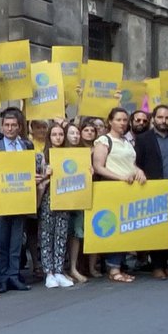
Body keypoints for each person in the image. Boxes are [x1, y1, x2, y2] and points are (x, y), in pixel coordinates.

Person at [0, 108, 42, 292]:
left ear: (19, 127)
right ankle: (2, 278)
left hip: (20, 198)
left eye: (13, 125)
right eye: (7, 125)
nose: (10, 129)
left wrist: (33, 177)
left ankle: (14, 275)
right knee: (1, 241)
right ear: (2, 127)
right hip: (0, 201)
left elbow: (31, 170)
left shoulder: (27, 146)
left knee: (17, 241)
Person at [91, 108, 146, 283]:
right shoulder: (104, 141)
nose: (122, 123)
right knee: (114, 227)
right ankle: (113, 268)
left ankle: (120, 266)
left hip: (128, 190)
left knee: (125, 228)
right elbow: (99, 166)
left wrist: (139, 172)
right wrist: (121, 178)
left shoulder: (126, 142)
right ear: (110, 121)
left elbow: (131, 163)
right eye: (119, 119)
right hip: (112, 189)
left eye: (125, 120)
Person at [134, 105, 168, 279]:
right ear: (153, 118)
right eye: (160, 117)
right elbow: (136, 163)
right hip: (152, 189)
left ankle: (167, 264)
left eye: (167, 117)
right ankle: (156, 266)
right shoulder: (143, 139)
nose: (164, 121)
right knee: (156, 228)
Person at [37, 122, 74, 289]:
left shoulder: (72, 156)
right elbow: (34, 180)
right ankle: (49, 273)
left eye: (60, 134)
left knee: (61, 234)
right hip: (47, 198)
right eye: (54, 134)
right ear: (49, 137)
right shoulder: (41, 157)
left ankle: (59, 270)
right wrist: (46, 175)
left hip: (65, 198)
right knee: (46, 235)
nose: (58, 137)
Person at [66, 117, 99, 283]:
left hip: (83, 196)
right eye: (72, 133)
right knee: (68, 234)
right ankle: (70, 268)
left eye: (77, 133)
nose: (76, 135)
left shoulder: (85, 153)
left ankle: (82, 267)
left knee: (80, 232)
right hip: (65, 197)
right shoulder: (61, 152)